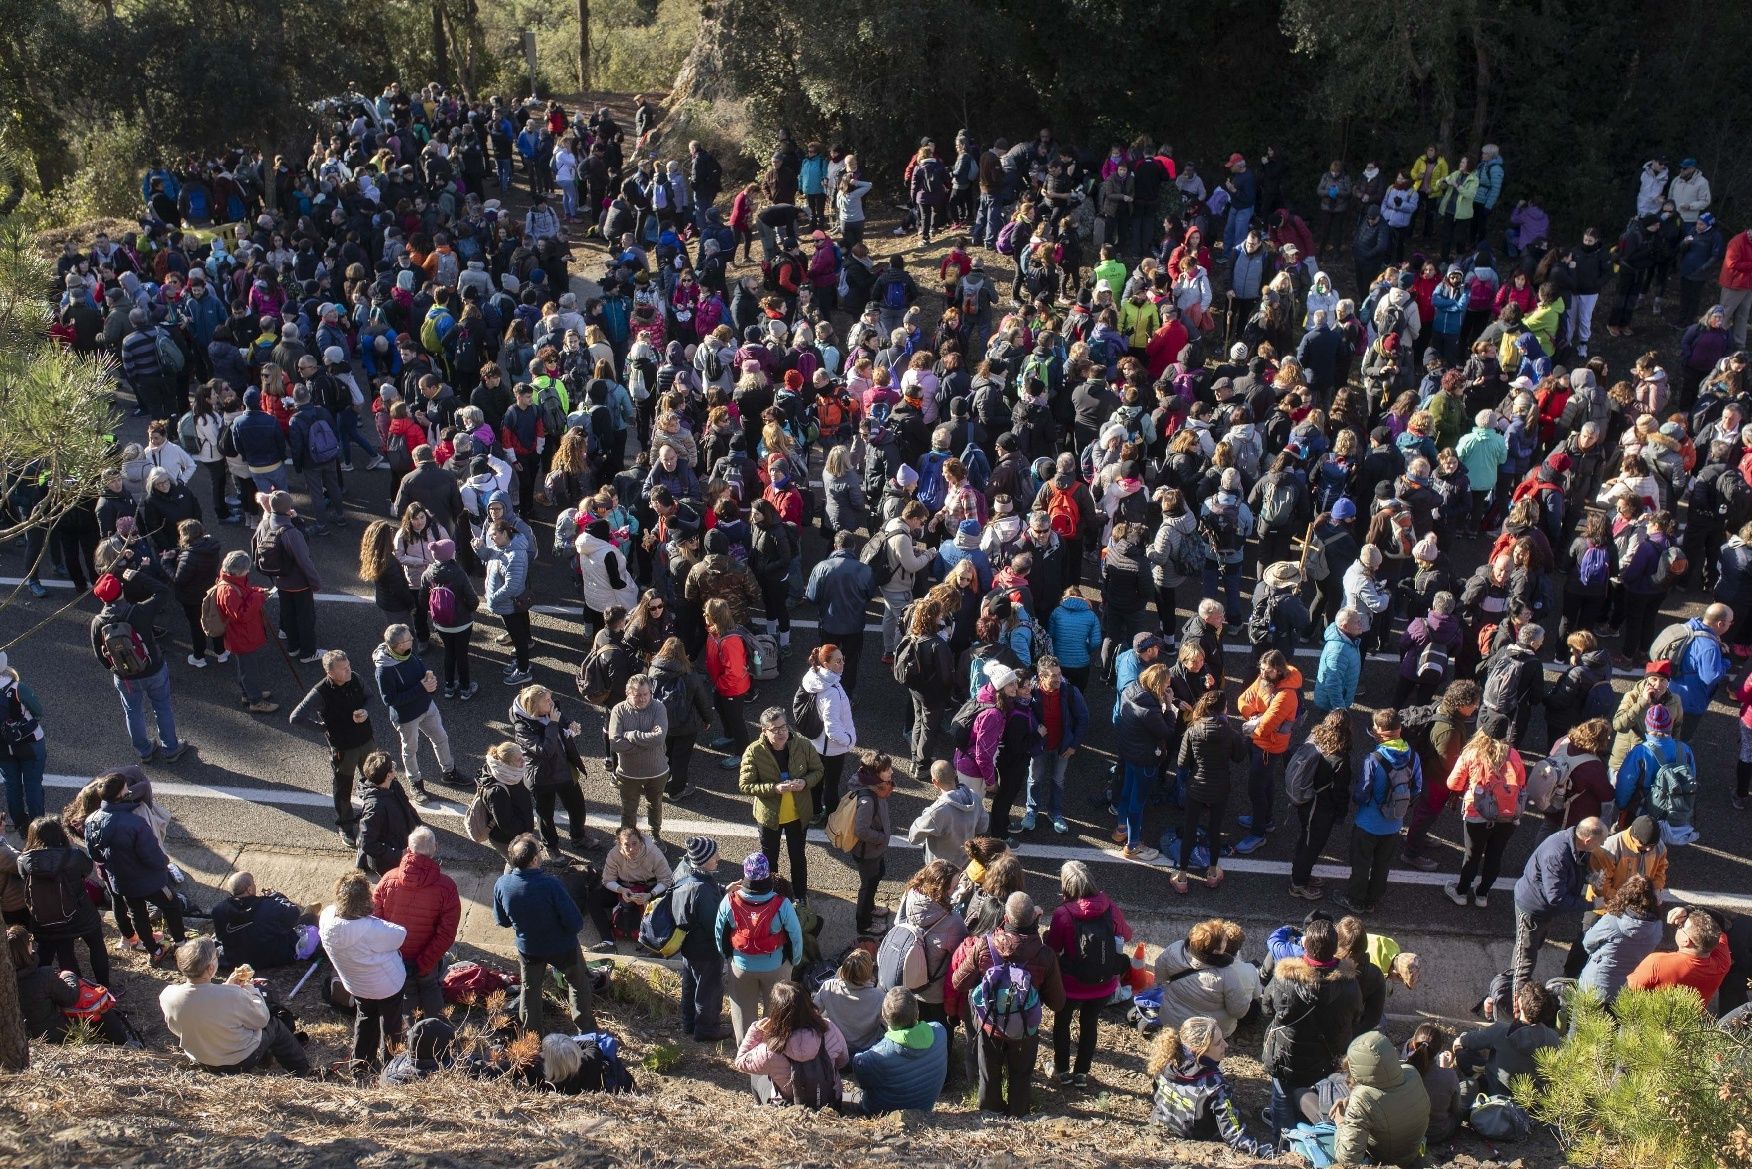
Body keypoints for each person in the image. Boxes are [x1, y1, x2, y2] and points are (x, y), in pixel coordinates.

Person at [950, 890, 1066, 1117]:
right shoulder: (1045, 956)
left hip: (990, 1023)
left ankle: (990, 1113)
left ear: (1005, 919)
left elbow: (958, 982)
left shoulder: (985, 945)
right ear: (1034, 919)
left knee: (988, 1074)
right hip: (1024, 1028)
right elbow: (1058, 1003)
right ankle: (1018, 1112)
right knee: (1021, 1074)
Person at [1260, 916, 1362, 1140]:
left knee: (1283, 1098)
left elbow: (1267, 1008)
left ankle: (1284, 1145)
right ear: (1335, 949)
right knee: (1318, 1096)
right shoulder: (1349, 983)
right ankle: (1314, 1138)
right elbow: (1356, 1015)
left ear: (1305, 945)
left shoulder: (1284, 978)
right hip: (1326, 1059)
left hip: (1287, 1057)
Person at [492, 833, 598, 1039]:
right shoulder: (551, 884)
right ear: (534, 860)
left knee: (530, 989)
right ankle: (586, 1031)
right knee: (577, 983)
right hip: (563, 947)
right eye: (539, 850)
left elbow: (502, 921)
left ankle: (531, 1037)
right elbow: (575, 923)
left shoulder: (502, 884)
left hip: (529, 948)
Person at [159, 936, 312, 1076]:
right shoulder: (233, 996)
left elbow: (203, 1007)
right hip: (238, 1061)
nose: (217, 957)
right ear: (210, 968)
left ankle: (267, 1060)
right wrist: (250, 989)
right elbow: (262, 1020)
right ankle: (302, 1070)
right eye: (216, 956)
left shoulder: (167, 995)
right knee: (275, 1025)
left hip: (202, 1059)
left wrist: (227, 986)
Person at [1044, 860, 1132, 1089]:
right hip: (1103, 983)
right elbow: (1127, 934)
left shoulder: (1063, 914)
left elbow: (1053, 948)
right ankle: (1082, 1073)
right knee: (1089, 1023)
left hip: (1071, 984)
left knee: (1062, 1023)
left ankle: (1061, 1070)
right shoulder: (1109, 907)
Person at [84, 768, 186, 962]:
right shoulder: (135, 823)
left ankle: (153, 951)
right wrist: (163, 864)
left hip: (121, 880)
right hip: (149, 879)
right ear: (121, 795)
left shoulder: (92, 821)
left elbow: (94, 853)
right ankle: (181, 944)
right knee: (171, 904)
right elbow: (152, 856)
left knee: (137, 913)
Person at [89, 571, 190, 765]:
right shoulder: (139, 611)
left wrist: (117, 670)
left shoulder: (97, 623)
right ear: (121, 591)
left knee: (132, 711)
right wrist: (135, 575)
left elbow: (100, 656)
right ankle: (170, 748)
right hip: (153, 669)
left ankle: (144, 750)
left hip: (125, 677)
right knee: (162, 707)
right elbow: (163, 591)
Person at [319, 870, 408, 1080]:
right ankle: (391, 1065)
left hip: (356, 984)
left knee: (365, 1018)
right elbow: (400, 935)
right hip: (387, 984)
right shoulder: (372, 929)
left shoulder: (327, 919)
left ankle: (360, 1064)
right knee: (391, 1023)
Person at [1147, 1013, 1276, 1156]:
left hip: (1163, 1123)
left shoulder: (1165, 1061)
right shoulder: (1215, 1087)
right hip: (1196, 1143)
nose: (1225, 1045)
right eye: (1218, 1043)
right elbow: (1236, 1137)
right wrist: (1273, 1154)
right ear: (1200, 1051)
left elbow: (1157, 1095)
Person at [1332, 709, 1421, 916]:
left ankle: (1355, 900)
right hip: (1394, 824)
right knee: (1382, 864)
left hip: (1368, 823)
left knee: (1361, 863)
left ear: (1380, 731)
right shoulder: (1412, 756)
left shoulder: (1373, 759)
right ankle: (1373, 899)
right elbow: (1417, 787)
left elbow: (1362, 794)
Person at [1512, 816, 1609, 997]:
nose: (1601, 846)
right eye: (1600, 842)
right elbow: (1556, 898)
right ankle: (1516, 1006)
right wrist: (1591, 904)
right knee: (1524, 959)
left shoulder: (1574, 843)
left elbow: (1576, 866)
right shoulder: (1557, 855)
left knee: (1534, 944)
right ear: (1588, 840)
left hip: (1543, 909)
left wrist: (1590, 876)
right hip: (1532, 908)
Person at [371, 826, 461, 1021]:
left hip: (397, 957)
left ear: (408, 849)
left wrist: (391, 953)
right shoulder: (446, 887)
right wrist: (425, 961)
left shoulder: (388, 879)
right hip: (427, 958)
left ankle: (413, 1038)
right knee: (430, 988)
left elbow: (375, 921)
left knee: (408, 994)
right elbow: (447, 932)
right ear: (435, 848)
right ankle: (440, 1036)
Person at [715, 851, 805, 1044]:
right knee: (775, 1016)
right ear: (767, 875)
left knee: (743, 1018)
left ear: (745, 874)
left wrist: (730, 958)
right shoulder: (782, 904)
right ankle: (770, 1054)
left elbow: (719, 933)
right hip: (775, 966)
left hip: (741, 966)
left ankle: (747, 1056)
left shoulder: (730, 901)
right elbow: (796, 937)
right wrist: (792, 962)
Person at [289, 649, 377, 844]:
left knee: (374, 779)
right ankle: (346, 826)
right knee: (343, 788)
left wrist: (366, 711)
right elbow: (296, 718)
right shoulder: (320, 692)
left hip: (366, 741)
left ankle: (374, 814)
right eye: (343, 669)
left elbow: (370, 697)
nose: (349, 671)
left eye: (349, 666)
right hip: (344, 749)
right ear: (330, 673)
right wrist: (323, 728)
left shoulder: (355, 678)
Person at [738, 705, 823, 901]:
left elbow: (818, 771)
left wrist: (805, 782)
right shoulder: (754, 752)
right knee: (769, 862)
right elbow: (745, 785)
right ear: (764, 730)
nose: (781, 733)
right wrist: (773, 789)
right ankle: (772, 897)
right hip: (770, 818)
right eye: (775, 729)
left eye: (783, 727)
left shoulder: (803, 745)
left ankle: (801, 896)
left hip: (797, 815)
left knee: (798, 858)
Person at [17, 817, 110, 985]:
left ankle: (78, 990)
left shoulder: (23, 861)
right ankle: (104, 987)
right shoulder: (74, 855)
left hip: (45, 917)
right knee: (96, 945)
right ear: (59, 834)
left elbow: (25, 879)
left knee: (65, 952)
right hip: (81, 911)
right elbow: (88, 870)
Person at [372, 622, 459, 797]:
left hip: (427, 706)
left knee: (441, 738)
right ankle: (415, 782)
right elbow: (390, 700)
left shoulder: (408, 654)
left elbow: (421, 675)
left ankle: (449, 772)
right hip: (406, 717)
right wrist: (422, 688)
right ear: (399, 645)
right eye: (408, 639)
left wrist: (430, 683)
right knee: (410, 750)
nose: (412, 639)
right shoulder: (384, 671)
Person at [731, 979, 850, 1106]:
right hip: (830, 1101)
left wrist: (755, 1030)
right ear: (807, 1003)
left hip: (790, 1105)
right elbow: (843, 1061)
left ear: (776, 1012)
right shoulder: (829, 1029)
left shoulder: (770, 1048)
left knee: (755, 1076)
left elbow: (740, 1062)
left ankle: (763, 1108)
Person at [1443, 730, 1527, 909]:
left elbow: (1453, 783)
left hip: (1477, 814)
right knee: (1495, 855)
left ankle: (1461, 893)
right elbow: (1521, 783)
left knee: (1472, 856)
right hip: (1507, 815)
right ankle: (1482, 895)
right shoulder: (1513, 754)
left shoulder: (1473, 753)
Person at [1173, 689, 1247, 890]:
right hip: (1220, 787)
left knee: (1189, 829)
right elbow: (1239, 757)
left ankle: (1181, 876)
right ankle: (1213, 873)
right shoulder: (1230, 733)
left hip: (1196, 787)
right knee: (1215, 830)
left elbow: (1182, 763)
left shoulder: (1193, 730)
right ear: (1223, 708)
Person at [1332, 1031, 1433, 1169]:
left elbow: (1348, 1159)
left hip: (1383, 1163)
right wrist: (1354, 1110)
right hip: (1412, 1155)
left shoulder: (1362, 1097)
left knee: (1302, 1096)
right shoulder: (1411, 1072)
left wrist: (1341, 1122)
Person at [1234, 649, 1301, 854]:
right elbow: (1243, 699)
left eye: (1268, 671)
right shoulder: (1267, 680)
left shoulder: (1286, 694)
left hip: (1268, 747)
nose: (1263, 674)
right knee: (1267, 784)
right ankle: (1266, 819)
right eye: (1261, 669)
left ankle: (1258, 833)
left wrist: (1255, 722)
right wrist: (1256, 715)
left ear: (1279, 671)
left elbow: (1265, 728)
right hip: (1261, 743)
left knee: (1256, 789)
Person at [511, 683, 591, 853]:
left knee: (577, 807)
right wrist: (553, 725)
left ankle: (578, 837)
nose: (551, 703)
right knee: (545, 815)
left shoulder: (551, 710)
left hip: (564, 770)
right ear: (534, 706)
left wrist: (569, 726)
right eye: (546, 701)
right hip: (542, 777)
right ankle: (551, 846)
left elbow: (562, 723)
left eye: (550, 698)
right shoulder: (522, 728)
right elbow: (544, 751)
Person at [1151, 918, 1260, 1037]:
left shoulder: (1175, 948)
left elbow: (1160, 976)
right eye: (1224, 940)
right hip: (1206, 1034)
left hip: (1170, 1019)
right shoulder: (1227, 974)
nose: (1226, 941)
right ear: (1216, 950)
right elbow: (1238, 1012)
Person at [850, 986, 950, 1115]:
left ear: (884, 1016)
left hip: (882, 1112)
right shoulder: (939, 1031)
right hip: (924, 1108)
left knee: (846, 1096)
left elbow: (863, 1082)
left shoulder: (873, 1057)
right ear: (917, 1012)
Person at [1285, 710, 1352, 901]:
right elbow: (1341, 791)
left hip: (1306, 800)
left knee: (1306, 840)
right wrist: (1341, 813)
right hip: (1320, 808)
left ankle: (1301, 875)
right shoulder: (1339, 756)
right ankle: (1298, 884)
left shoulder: (1316, 738)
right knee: (1311, 845)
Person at [668, 835, 729, 1042]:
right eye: (714, 856)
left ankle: (689, 1023)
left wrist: (722, 890)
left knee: (690, 983)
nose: (719, 858)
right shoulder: (701, 891)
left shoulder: (684, 869)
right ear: (702, 861)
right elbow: (715, 925)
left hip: (687, 942)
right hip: (706, 947)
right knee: (709, 990)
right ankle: (707, 1029)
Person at [1454, 981, 1561, 1096]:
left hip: (1495, 1090)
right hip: (1527, 1100)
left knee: (1461, 1049)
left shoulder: (1501, 1030)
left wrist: (1460, 1041)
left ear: (1520, 1003)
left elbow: (1469, 1041)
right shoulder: (1554, 1038)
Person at [1576, 873, 1665, 1005]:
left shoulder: (1611, 921)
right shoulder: (1657, 927)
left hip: (1596, 985)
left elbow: (1587, 943)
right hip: (1626, 989)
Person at [1614, 703, 1698, 838]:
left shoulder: (1640, 752)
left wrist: (1622, 804)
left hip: (1643, 812)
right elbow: (1691, 777)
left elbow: (1625, 784)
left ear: (1648, 726)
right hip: (1674, 812)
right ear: (1670, 725)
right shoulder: (1685, 749)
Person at [1026, 655, 1088, 835]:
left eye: (1059, 674)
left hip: (1063, 745)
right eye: (1053, 676)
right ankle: (1032, 811)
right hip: (1039, 746)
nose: (1058, 679)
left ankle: (1055, 813)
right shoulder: (1031, 693)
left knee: (1058, 780)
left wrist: (1074, 745)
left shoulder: (1070, 691)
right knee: (1034, 778)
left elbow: (1083, 719)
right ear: (1041, 677)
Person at [586, 826, 673, 952]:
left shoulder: (653, 852)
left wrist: (649, 895)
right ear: (619, 845)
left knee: (668, 900)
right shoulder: (614, 854)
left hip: (650, 887)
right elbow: (607, 880)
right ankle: (608, 940)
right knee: (593, 899)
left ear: (641, 841)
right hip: (624, 887)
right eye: (626, 845)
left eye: (634, 843)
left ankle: (656, 941)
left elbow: (666, 880)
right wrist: (621, 890)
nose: (631, 849)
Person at [211, 871, 318, 973]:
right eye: (253, 883)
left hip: (235, 961)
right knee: (308, 919)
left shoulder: (218, 910)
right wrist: (277, 896)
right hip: (270, 958)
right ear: (249, 889)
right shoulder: (268, 906)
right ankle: (310, 913)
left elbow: (220, 937)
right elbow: (293, 913)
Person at [609, 673, 671, 840]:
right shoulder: (619, 710)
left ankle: (656, 836)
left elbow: (659, 738)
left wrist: (631, 735)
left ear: (651, 692)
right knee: (629, 809)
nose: (643, 699)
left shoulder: (658, 708)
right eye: (638, 695)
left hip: (657, 772)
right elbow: (615, 744)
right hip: (629, 774)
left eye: (646, 694)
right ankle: (628, 839)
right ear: (628, 693)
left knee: (655, 805)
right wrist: (646, 742)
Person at [1626, 905, 1733, 1001]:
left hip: (1653, 1020)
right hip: (1691, 1020)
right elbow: (1719, 921)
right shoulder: (1723, 962)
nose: (1678, 925)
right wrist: (1689, 910)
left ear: (1686, 941)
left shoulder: (1657, 962)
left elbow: (1629, 992)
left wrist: (1688, 909)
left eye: (1681, 926)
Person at [801, 643, 858, 818]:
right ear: (826, 664)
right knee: (831, 786)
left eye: (843, 660)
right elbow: (832, 728)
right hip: (831, 747)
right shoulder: (831, 692)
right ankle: (831, 819)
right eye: (837, 661)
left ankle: (815, 812)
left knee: (817, 780)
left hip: (817, 743)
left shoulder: (815, 678)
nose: (842, 664)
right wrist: (848, 739)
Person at [354, 750, 424, 877]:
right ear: (388, 775)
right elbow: (366, 842)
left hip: (403, 846)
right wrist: (398, 854)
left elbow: (407, 808)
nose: (394, 768)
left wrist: (421, 829)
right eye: (392, 767)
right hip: (390, 865)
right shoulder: (375, 806)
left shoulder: (393, 785)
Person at [907, 759, 989, 866]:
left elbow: (913, 838)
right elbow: (983, 827)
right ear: (955, 773)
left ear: (934, 782)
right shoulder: (974, 797)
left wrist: (926, 813)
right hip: (965, 862)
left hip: (941, 867)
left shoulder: (936, 811)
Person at [0, 652, 46, 831]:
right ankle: (39, 829)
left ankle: (20, 825)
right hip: (30, 743)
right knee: (33, 784)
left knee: (12, 786)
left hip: (2, 747)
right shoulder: (18, 688)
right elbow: (39, 712)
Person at [817, 947, 886, 1055]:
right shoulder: (879, 997)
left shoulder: (829, 986)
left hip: (838, 1044)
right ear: (869, 973)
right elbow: (890, 1026)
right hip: (868, 1047)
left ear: (843, 969)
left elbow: (813, 1011)